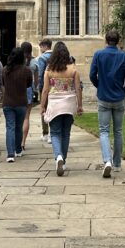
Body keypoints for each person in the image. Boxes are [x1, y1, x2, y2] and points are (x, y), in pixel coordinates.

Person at [89, 30, 125, 178]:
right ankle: (118, 164)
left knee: (104, 131)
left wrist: (99, 86)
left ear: (106, 41)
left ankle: (107, 160)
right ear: (118, 41)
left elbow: (91, 75)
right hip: (119, 98)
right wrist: (124, 91)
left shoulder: (98, 55)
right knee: (118, 131)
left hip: (104, 97)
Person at [40, 41, 83, 176]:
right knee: (66, 133)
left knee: (55, 133)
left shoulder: (49, 70)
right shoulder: (73, 69)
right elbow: (78, 89)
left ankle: (58, 156)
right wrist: (80, 105)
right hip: (69, 103)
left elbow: (45, 90)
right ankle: (63, 161)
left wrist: (42, 106)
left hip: (55, 104)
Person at [0, 48, 32, 161]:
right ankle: (18, 150)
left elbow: (3, 83)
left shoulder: (5, 70)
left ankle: (10, 154)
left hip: (8, 102)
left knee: (10, 127)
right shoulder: (26, 70)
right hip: (21, 102)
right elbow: (29, 84)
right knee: (18, 127)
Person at [29, 38, 53, 144]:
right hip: (56, 87)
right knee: (53, 109)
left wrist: (39, 87)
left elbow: (41, 74)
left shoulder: (43, 58)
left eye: (41, 46)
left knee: (44, 109)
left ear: (45, 46)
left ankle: (45, 133)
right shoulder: (56, 56)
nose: (40, 48)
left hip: (45, 87)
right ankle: (53, 133)